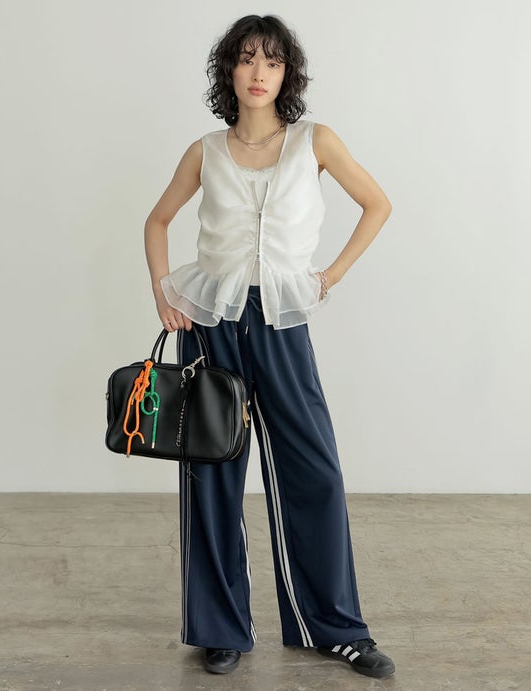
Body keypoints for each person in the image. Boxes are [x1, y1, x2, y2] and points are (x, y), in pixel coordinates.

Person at [144, 14, 394, 679]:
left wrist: (329, 276)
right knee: (213, 472)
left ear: (288, 74)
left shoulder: (316, 141)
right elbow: (158, 220)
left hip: (282, 320)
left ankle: (333, 627)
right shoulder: (205, 150)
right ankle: (220, 629)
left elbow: (377, 204)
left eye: (273, 61)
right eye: (248, 58)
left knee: (315, 470)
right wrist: (163, 294)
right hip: (210, 323)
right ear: (229, 70)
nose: (259, 72)